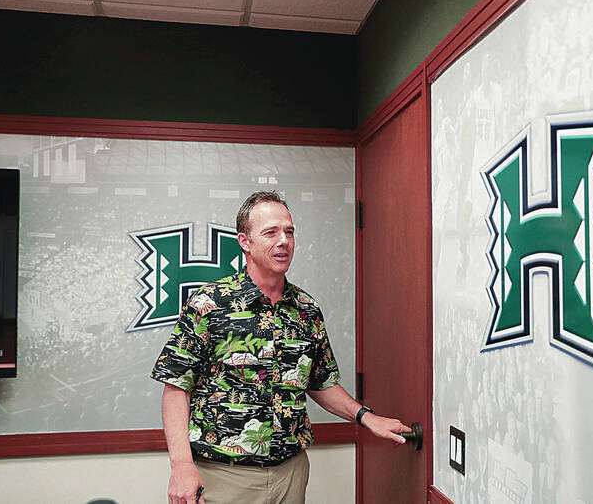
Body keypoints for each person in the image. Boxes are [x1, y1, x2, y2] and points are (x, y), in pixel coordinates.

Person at [151, 191, 411, 504]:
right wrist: (181, 466)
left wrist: (366, 417)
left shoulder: (305, 308)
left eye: (289, 231)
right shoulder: (210, 304)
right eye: (271, 232)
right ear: (245, 242)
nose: (283, 241)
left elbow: (320, 383)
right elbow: (176, 387)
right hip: (225, 475)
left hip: (291, 472)